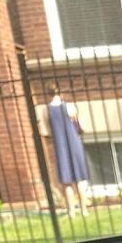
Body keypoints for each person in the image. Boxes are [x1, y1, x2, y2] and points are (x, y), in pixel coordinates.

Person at [39, 84, 90, 219]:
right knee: (79, 179)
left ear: (48, 95)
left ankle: (71, 212)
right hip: (74, 143)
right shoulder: (70, 106)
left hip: (60, 146)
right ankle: (84, 210)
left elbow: (48, 131)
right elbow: (78, 124)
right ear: (60, 94)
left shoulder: (45, 110)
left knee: (66, 181)